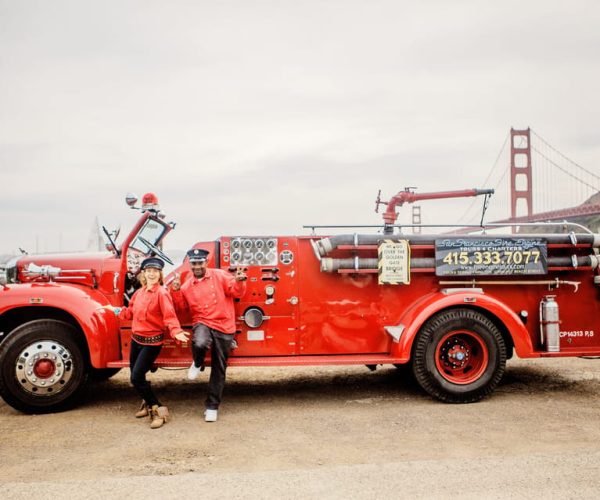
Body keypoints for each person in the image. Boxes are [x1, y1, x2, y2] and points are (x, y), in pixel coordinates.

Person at [101, 257, 189, 429]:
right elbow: (130, 312)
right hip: (136, 341)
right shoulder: (139, 293)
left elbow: (169, 315)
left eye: (155, 271)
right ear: (144, 273)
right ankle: (147, 404)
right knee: (136, 378)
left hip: (151, 343)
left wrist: (176, 331)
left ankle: (159, 409)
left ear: (160, 274)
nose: (152, 274)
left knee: (136, 377)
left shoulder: (162, 293)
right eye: (149, 271)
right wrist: (115, 310)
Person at [170, 248, 247, 422]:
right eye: (194, 263)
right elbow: (181, 307)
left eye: (200, 263)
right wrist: (175, 291)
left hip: (224, 324)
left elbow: (236, 292)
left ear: (206, 262)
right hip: (203, 322)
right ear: (190, 264)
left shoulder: (220, 275)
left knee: (219, 368)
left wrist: (240, 281)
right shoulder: (187, 285)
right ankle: (197, 362)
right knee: (199, 343)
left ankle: (212, 406)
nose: (197, 266)